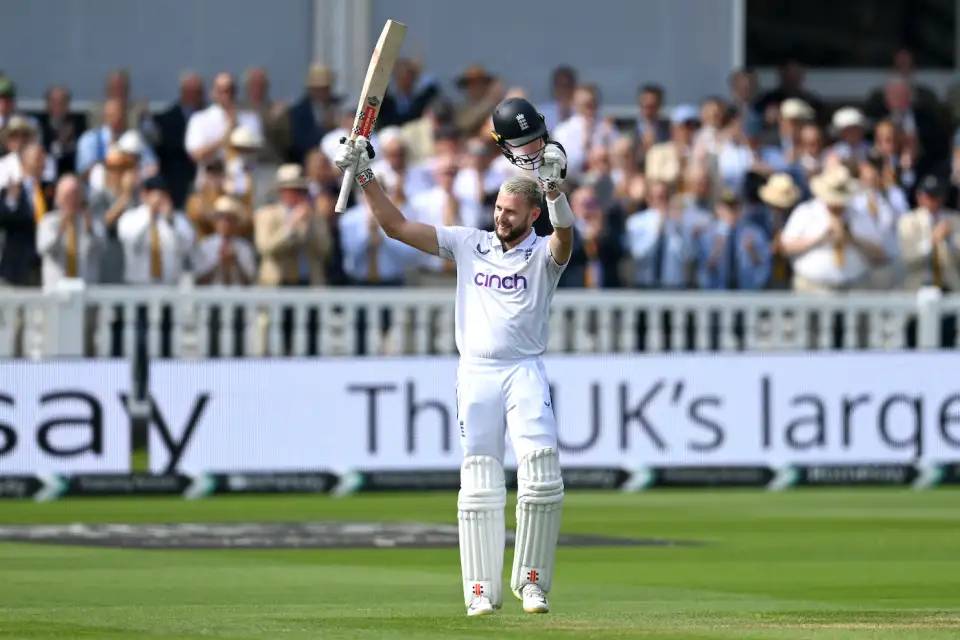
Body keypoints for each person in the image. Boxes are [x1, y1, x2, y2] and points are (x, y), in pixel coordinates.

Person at [334, 95, 572, 617]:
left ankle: (531, 582)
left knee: (542, 470)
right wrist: (365, 173)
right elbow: (397, 227)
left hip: (524, 369)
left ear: (533, 215)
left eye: (511, 212)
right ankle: (480, 591)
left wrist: (554, 189)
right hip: (478, 372)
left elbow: (566, 239)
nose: (501, 217)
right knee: (480, 478)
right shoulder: (469, 243)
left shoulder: (544, 254)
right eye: (498, 209)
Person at [780, 165, 885, 292]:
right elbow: (785, 247)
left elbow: (880, 255)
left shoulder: (859, 214)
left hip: (854, 287)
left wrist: (852, 239)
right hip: (812, 287)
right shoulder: (806, 211)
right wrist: (820, 238)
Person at [254, 164, 330, 286]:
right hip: (277, 283)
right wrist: (290, 227)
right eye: (295, 190)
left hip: (308, 283)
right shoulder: (266, 214)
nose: (300, 195)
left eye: (303, 190)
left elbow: (325, 250)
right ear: (282, 191)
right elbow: (265, 248)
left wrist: (309, 227)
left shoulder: (315, 217)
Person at [117, 175, 195, 285]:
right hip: (137, 286)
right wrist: (149, 215)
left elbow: (187, 246)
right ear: (144, 195)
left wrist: (171, 222)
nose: (159, 200)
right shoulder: (130, 217)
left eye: (164, 195)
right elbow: (132, 241)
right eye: (156, 195)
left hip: (169, 287)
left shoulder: (177, 219)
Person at [36, 175, 104, 287]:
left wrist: (89, 229)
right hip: (56, 289)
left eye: (76, 195)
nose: (72, 200)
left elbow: (100, 248)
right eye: (67, 196)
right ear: (58, 198)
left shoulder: (93, 221)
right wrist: (61, 227)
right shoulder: (48, 221)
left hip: (86, 290)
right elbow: (44, 248)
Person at [696, 189, 770, 290]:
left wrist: (752, 252)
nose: (731, 211)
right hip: (717, 294)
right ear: (718, 209)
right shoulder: (707, 235)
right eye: (726, 207)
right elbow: (702, 274)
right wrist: (716, 252)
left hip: (747, 294)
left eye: (735, 207)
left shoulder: (755, 233)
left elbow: (764, 269)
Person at [185, 72, 261, 169]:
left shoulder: (251, 118)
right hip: (212, 180)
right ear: (213, 93)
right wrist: (226, 136)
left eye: (230, 90)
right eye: (222, 91)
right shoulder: (199, 119)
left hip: (244, 179)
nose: (227, 95)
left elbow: (256, 151)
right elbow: (196, 155)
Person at [899, 175, 960, 292]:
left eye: (936, 196)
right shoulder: (908, 220)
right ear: (919, 197)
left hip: (950, 284)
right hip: (919, 285)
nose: (933, 201)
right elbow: (908, 257)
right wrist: (932, 240)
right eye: (929, 196)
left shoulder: (954, 219)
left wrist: (950, 239)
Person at [152, 72, 205, 209]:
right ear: (183, 92)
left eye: (198, 92)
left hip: (204, 177)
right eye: (190, 91)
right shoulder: (166, 119)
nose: (195, 95)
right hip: (177, 182)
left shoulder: (208, 116)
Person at [193, 196, 256, 285]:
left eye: (229, 219)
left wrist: (235, 262)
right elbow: (199, 281)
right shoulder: (205, 245)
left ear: (236, 222)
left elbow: (249, 283)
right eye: (221, 218)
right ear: (215, 221)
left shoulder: (244, 247)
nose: (225, 223)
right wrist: (219, 262)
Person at [287, 64, 340, 164]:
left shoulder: (339, 106)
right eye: (318, 89)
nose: (322, 92)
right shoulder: (299, 112)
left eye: (325, 88)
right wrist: (325, 129)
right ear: (311, 89)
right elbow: (299, 143)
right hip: (309, 163)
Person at [36, 85, 87, 177]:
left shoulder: (78, 126)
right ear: (47, 104)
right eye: (54, 102)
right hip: (45, 176)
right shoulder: (40, 126)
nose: (58, 106)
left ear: (68, 105)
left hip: (70, 174)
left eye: (62, 102)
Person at [378, 58, 440, 128]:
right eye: (402, 77)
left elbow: (433, 86)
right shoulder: (387, 102)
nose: (406, 81)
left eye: (410, 77)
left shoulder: (420, 101)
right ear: (396, 78)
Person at [539, 66, 577, 131]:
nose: (564, 90)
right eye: (560, 85)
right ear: (554, 88)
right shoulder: (543, 112)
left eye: (567, 85)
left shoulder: (582, 111)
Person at [635, 84, 670, 151]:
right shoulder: (628, 129)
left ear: (659, 105)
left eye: (652, 106)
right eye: (645, 104)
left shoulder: (668, 130)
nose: (648, 109)